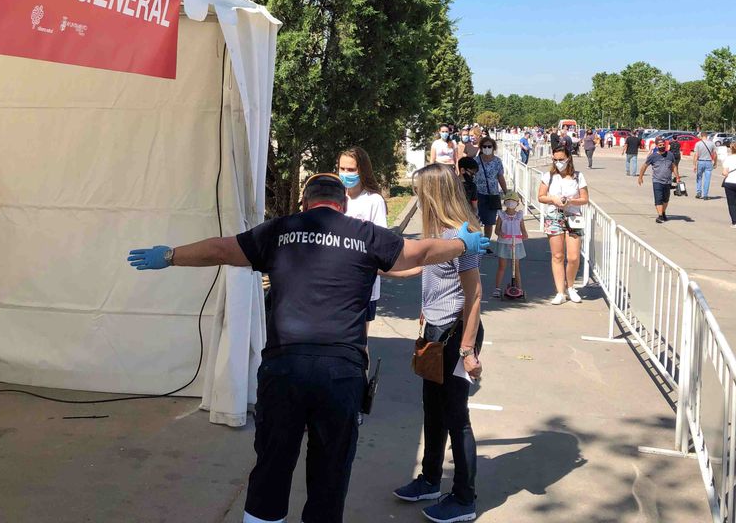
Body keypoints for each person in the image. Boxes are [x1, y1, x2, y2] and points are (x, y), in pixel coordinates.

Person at [127, 173, 490, 523]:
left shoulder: (280, 230)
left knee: (272, 464)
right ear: (343, 207)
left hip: (284, 368)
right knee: (330, 471)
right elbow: (418, 252)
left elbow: (221, 249)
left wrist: (171, 255)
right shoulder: (365, 235)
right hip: (341, 373)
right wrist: (462, 244)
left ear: (304, 204)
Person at [392, 164, 484, 523]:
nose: (417, 197)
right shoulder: (439, 234)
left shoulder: (463, 236)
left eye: (419, 191)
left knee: (457, 418)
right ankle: (430, 480)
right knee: (433, 411)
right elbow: (419, 268)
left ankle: (464, 498)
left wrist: (467, 349)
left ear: (434, 193)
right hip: (434, 333)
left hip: (456, 336)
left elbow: (474, 296)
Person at [338, 147, 387, 332]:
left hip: (363, 284)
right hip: (336, 282)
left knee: (359, 342)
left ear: (362, 170)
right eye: (342, 169)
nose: (345, 174)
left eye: (351, 170)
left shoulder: (373, 200)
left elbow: (380, 243)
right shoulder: (335, 198)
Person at [538, 147, 588, 304]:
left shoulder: (578, 177)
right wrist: (553, 199)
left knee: (573, 257)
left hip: (573, 216)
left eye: (561, 159)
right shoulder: (549, 177)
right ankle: (560, 292)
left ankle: (571, 287)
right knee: (557, 255)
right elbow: (541, 196)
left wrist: (570, 201)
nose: (559, 163)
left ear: (568, 159)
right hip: (554, 216)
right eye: (556, 160)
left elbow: (585, 198)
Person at [491, 191, 527, 299]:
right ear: (505, 202)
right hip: (504, 243)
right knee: (502, 266)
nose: (511, 203)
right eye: (508, 201)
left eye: (513, 201)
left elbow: (523, 230)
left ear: (517, 203)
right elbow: (497, 230)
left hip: (516, 243)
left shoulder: (519, 215)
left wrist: (524, 235)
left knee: (516, 267)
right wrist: (501, 234)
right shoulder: (501, 215)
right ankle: (497, 288)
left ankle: (519, 287)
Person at [638, 137, 681, 223]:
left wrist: (677, 177)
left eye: (663, 145)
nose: (662, 146)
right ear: (657, 146)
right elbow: (644, 166)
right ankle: (660, 216)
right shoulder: (653, 156)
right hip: (657, 181)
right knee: (658, 198)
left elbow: (674, 166)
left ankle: (663, 212)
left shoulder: (670, 155)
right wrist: (640, 176)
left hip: (667, 181)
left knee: (666, 199)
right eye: (660, 145)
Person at [474, 137, 508, 240]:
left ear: (493, 148)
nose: (487, 148)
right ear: (481, 148)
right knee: (475, 220)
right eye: (484, 146)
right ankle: (476, 242)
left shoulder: (497, 161)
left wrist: (506, 192)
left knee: (489, 221)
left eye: (489, 146)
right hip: (478, 194)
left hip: (493, 195)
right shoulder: (476, 161)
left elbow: (500, 177)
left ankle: (486, 243)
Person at [693, 132, 717, 199]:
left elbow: (696, 155)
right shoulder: (712, 143)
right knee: (707, 179)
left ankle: (698, 192)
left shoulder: (698, 144)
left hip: (700, 161)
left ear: (701, 136)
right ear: (707, 136)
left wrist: (694, 165)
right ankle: (705, 195)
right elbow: (714, 154)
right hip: (708, 162)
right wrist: (715, 162)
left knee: (699, 178)